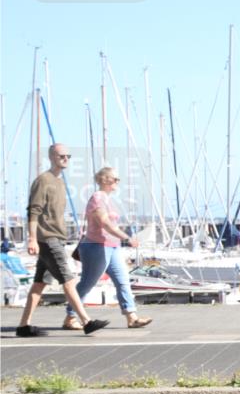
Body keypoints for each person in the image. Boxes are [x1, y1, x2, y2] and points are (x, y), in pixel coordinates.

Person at [16, 144, 109, 337]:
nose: (66, 159)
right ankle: (87, 322)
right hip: (48, 239)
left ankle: (23, 326)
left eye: (68, 156)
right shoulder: (43, 181)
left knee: (39, 284)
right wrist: (32, 238)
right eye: (61, 156)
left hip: (56, 238)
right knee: (68, 280)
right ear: (51, 157)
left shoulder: (59, 182)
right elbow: (33, 211)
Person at [64, 167, 152, 330]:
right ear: (105, 180)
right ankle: (71, 316)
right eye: (115, 179)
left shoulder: (107, 199)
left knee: (123, 281)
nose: (118, 182)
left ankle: (131, 317)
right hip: (96, 246)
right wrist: (126, 238)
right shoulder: (97, 198)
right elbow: (104, 222)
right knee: (87, 283)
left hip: (112, 247)